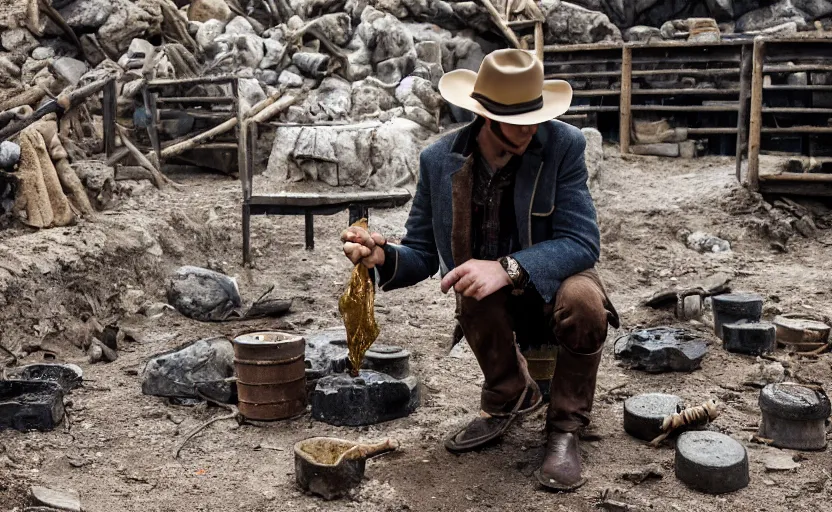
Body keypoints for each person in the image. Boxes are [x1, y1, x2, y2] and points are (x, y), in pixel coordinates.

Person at [340, 48, 619, 491]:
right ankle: (510, 396)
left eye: (535, 116)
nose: (531, 128)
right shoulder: (438, 161)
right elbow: (422, 254)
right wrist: (384, 258)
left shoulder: (564, 145)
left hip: (556, 285)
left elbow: (582, 243)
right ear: (485, 115)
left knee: (587, 304)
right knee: (469, 284)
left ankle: (565, 426)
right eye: (518, 120)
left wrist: (508, 267)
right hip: (488, 304)